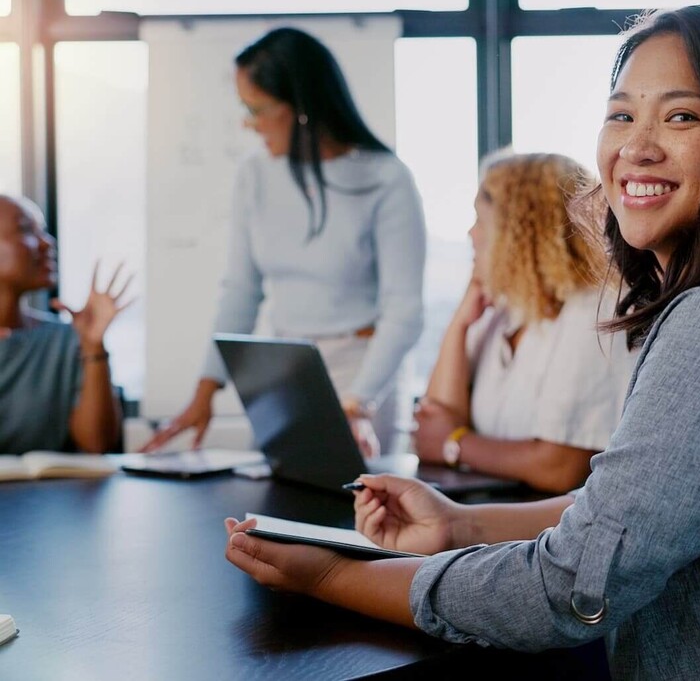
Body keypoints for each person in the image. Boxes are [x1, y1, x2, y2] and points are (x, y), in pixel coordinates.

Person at [224, 5, 700, 678]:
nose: (635, 147)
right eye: (619, 114)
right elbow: (627, 511)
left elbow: (566, 588)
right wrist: (459, 522)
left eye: (681, 116)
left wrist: (327, 576)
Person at [143, 27, 426, 455]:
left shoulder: (387, 178)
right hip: (288, 373)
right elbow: (240, 291)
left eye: (257, 109)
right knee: (282, 506)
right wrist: (205, 394)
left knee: (366, 512)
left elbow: (403, 310)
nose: (247, 122)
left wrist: (359, 403)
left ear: (301, 108)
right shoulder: (254, 174)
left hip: (365, 372)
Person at [412, 151, 636, 493]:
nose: (471, 234)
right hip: (491, 509)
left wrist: (454, 444)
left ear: (521, 231)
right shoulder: (505, 311)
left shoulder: (595, 310)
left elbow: (559, 467)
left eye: (481, 219)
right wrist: (459, 326)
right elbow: (435, 418)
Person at [0, 194, 131, 454]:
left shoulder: (67, 338)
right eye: (26, 230)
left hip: (47, 493)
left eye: (44, 232)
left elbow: (97, 445)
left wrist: (93, 346)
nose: (46, 243)